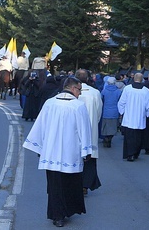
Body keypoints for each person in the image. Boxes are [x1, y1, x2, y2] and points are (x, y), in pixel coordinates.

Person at [23, 77, 93, 227]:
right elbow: (85, 130)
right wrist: (86, 150)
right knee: (69, 184)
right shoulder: (78, 106)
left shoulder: (50, 103)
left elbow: (40, 126)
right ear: (73, 88)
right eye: (79, 90)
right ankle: (66, 211)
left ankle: (57, 215)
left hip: (51, 153)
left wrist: (40, 148)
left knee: (54, 185)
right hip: (71, 152)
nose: (80, 94)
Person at [117, 72, 149, 162]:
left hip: (129, 117)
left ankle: (130, 154)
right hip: (140, 118)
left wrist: (122, 112)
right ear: (142, 79)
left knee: (129, 137)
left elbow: (121, 102)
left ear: (134, 79)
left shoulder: (127, 89)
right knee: (138, 137)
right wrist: (146, 113)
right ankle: (136, 153)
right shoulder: (145, 90)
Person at [76, 69, 102, 195]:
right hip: (90, 129)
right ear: (87, 78)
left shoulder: (72, 93)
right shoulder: (95, 93)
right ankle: (85, 184)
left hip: (75, 131)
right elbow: (98, 113)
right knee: (89, 157)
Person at [100, 76, 122, 148]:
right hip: (115, 112)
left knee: (105, 127)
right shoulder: (118, 91)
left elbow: (101, 101)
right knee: (113, 127)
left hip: (105, 112)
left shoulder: (104, 91)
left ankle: (106, 138)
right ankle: (109, 138)